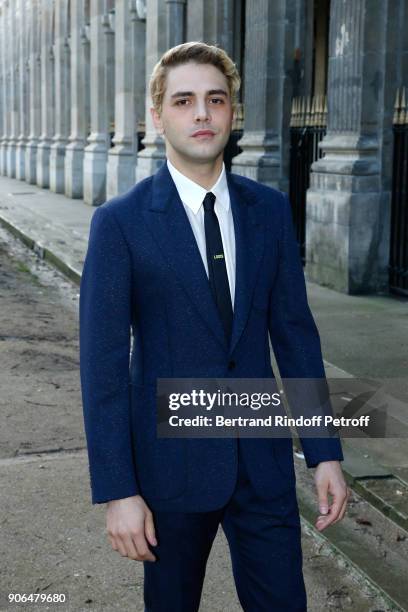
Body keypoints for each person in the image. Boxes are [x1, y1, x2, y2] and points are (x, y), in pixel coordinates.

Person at [79, 41, 349, 612]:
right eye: (184, 101)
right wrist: (119, 491)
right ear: (159, 115)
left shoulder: (269, 210)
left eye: (215, 99)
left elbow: (296, 337)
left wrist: (325, 451)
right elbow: (102, 369)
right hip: (170, 470)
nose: (202, 114)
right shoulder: (120, 223)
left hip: (262, 460)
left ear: (232, 111)